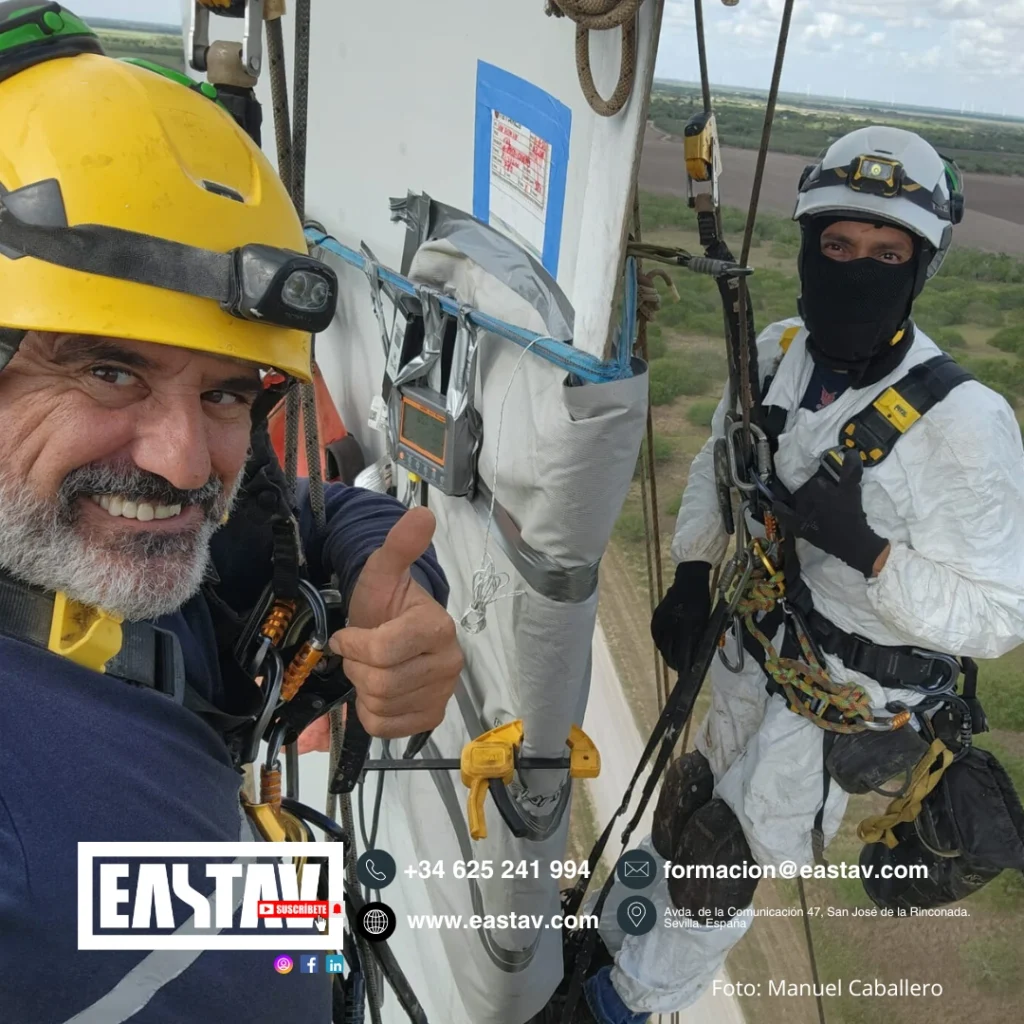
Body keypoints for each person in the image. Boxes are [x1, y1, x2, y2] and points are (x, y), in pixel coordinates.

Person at [0, 38, 463, 1024]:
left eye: (224, 391)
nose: (183, 461)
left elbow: (308, 516)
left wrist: (404, 594)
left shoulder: (84, 533)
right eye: (106, 369)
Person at [573, 126, 1024, 1022]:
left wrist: (873, 554)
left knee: (720, 871)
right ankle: (621, 936)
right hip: (754, 655)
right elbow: (720, 458)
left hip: (842, 703)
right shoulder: (780, 352)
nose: (859, 267)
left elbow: (1001, 615)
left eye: (886, 253)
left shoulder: (965, 425)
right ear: (811, 246)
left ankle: (623, 1004)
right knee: (689, 810)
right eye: (839, 245)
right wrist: (695, 573)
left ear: (920, 265)